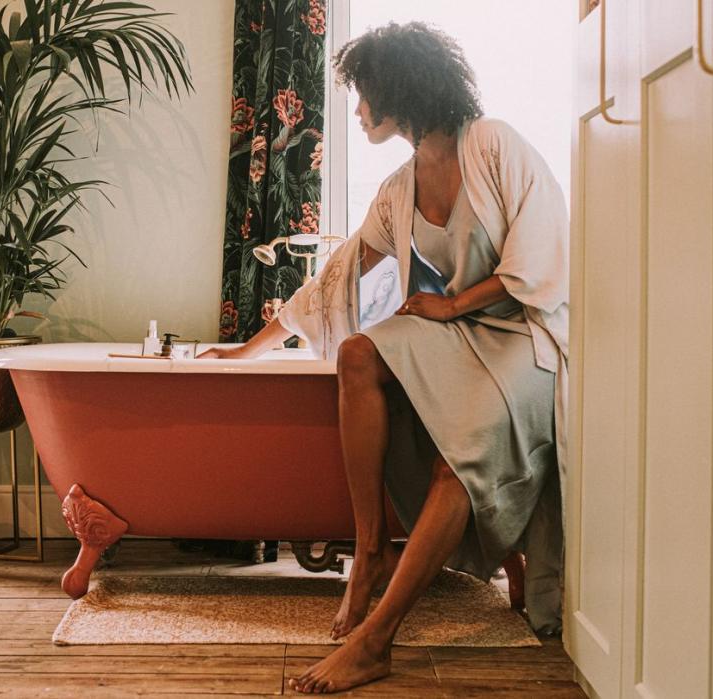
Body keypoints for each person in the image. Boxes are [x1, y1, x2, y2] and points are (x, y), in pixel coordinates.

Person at [200, 21, 569, 694]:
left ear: (402, 87)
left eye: (366, 93)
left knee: (461, 454)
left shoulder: (492, 143)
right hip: (458, 337)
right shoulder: (400, 188)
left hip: (523, 339)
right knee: (362, 354)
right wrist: (247, 350)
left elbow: (541, 257)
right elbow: (337, 277)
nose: (360, 108)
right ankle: (369, 549)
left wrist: (452, 306)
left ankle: (378, 639)